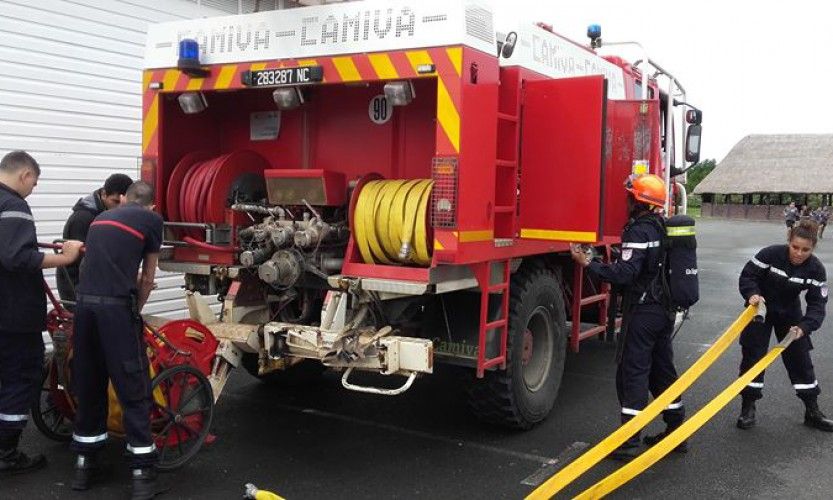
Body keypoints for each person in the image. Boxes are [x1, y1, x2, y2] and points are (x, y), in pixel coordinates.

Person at [570, 173, 685, 460]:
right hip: (663, 310)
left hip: (644, 311)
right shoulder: (660, 226)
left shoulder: (638, 231)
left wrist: (590, 263)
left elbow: (625, 273)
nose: (625, 200)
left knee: (632, 374)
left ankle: (629, 441)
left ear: (637, 200)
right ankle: (677, 430)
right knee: (662, 371)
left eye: (629, 195)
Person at [69, 181, 164, 499]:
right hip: (114, 311)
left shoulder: (99, 219)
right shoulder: (152, 220)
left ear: (124, 199)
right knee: (132, 387)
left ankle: (85, 465)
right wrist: (134, 310)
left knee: (90, 383)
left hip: (85, 309)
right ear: (151, 204)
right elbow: (148, 277)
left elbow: (89, 267)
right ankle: (142, 476)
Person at [0, 151, 82, 474]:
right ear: (23, 175)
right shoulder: (14, 206)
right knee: (21, 376)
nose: (34, 187)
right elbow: (18, 257)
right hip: (13, 314)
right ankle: (7, 452)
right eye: (34, 180)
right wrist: (67, 258)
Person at [736, 219, 833, 432]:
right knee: (753, 357)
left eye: (805, 250)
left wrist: (804, 327)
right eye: (795, 247)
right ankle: (748, 407)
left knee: (800, 359)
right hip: (759, 310)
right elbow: (748, 276)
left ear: (813, 248)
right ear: (789, 241)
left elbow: (818, 305)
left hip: (789, 314)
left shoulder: (816, 269)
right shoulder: (770, 254)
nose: (799, 253)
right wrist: (752, 294)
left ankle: (812, 411)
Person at [57, 173, 133, 305]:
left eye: (123, 203)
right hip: (77, 287)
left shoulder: (105, 215)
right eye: (115, 201)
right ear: (103, 194)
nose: (119, 207)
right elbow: (85, 260)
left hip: (94, 287)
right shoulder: (82, 219)